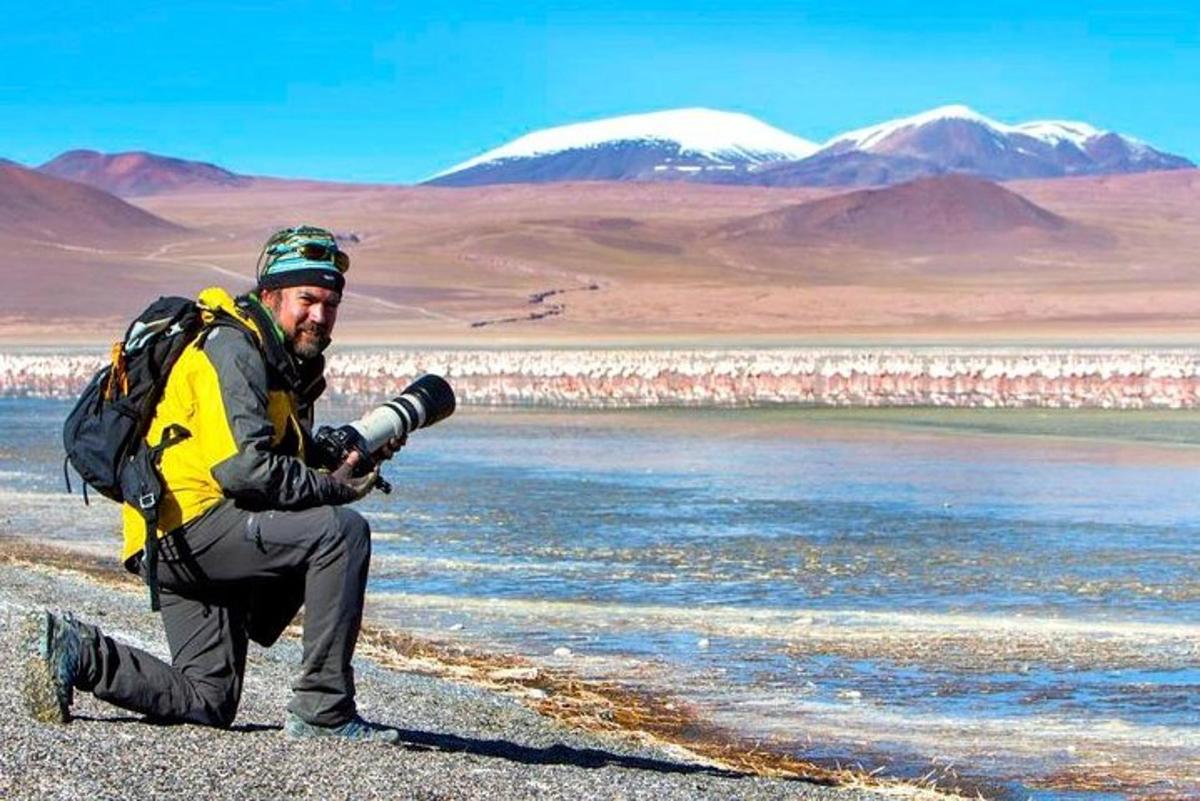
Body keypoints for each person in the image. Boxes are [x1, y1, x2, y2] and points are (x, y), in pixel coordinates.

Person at [24, 226, 404, 742]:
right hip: (193, 524)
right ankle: (324, 710)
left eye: (331, 303)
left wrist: (337, 457)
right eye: (307, 299)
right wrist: (334, 489)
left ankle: (80, 652)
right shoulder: (233, 347)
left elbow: (265, 455)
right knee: (341, 533)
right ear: (270, 295)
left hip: (176, 534)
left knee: (208, 699)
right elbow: (244, 469)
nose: (319, 314)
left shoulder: (281, 362)